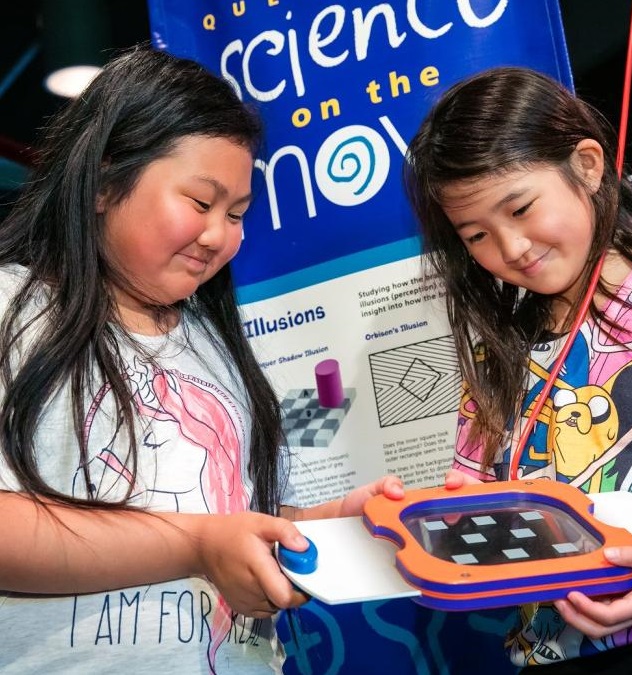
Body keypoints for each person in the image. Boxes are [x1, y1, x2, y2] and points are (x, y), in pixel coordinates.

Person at [0, 46, 402, 674]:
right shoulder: (13, 309)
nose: (220, 235)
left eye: (236, 214)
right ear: (104, 182)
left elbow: (226, 516)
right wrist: (198, 544)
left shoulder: (215, 347)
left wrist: (324, 526)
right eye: (199, 202)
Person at [403, 65, 632, 674]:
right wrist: (447, 518)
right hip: (559, 652)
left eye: (521, 208)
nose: (510, 248)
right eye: (476, 235)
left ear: (587, 166)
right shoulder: (495, 352)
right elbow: (485, 515)